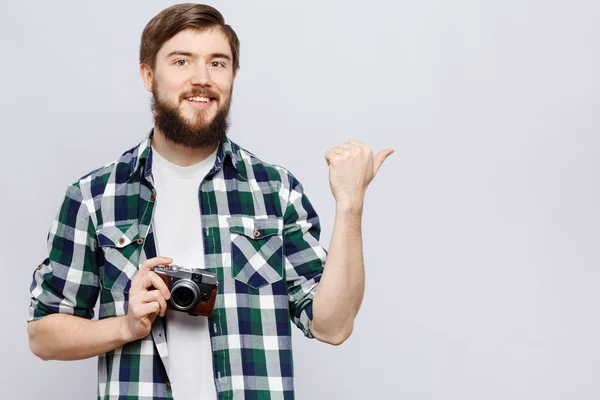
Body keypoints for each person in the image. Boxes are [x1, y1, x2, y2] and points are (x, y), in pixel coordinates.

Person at [27, 3, 393, 399]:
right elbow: (43, 335)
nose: (201, 79)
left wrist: (350, 203)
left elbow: (332, 325)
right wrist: (125, 326)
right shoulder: (93, 196)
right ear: (148, 75)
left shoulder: (275, 190)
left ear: (233, 76)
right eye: (182, 61)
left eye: (217, 64)